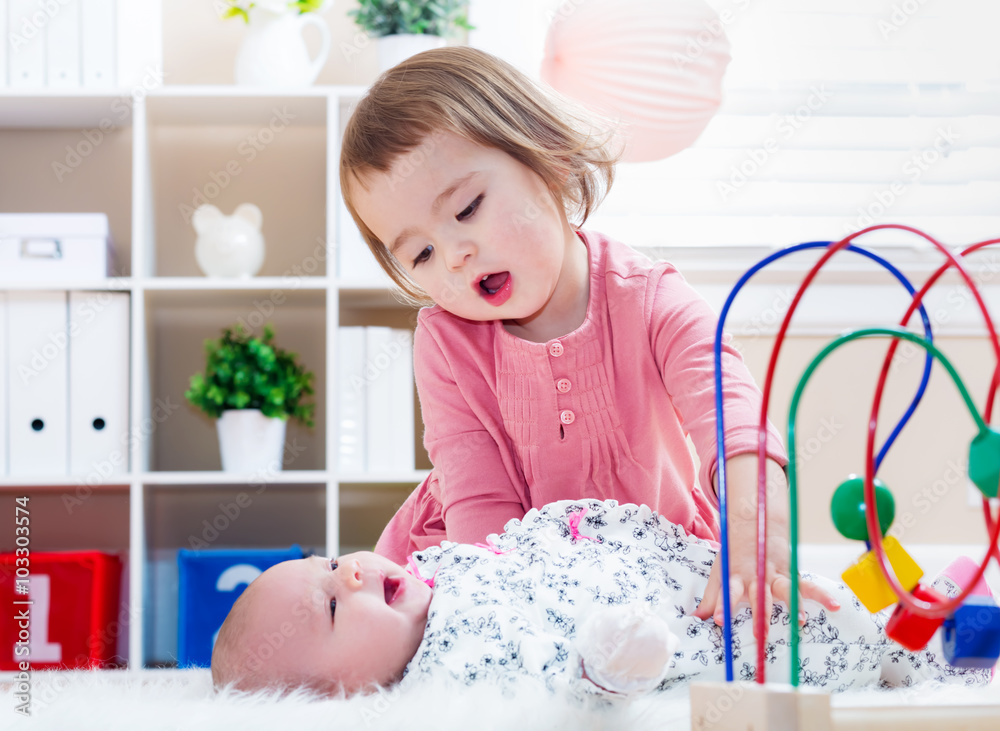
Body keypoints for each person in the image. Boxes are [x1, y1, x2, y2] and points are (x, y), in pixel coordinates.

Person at [338, 45, 837, 631]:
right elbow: (478, 500)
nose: (453, 254)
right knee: (382, 643)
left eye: (468, 208)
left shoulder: (649, 298)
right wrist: (504, 620)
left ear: (548, 160)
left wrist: (756, 525)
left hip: (654, 550)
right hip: (494, 557)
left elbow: (730, 420)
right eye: (420, 253)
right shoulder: (446, 342)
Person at [210, 500, 991, 697]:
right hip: (667, 633)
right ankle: (917, 637)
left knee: (804, 583)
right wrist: (604, 669)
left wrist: (574, 527)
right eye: (335, 608)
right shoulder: (453, 678)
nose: (347, 572)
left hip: (683, 571)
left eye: (324, 560)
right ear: (352, 696)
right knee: (833, 642)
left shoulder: (436, 565)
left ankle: (924, 603)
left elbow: (519, 546)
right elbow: (550, 690)